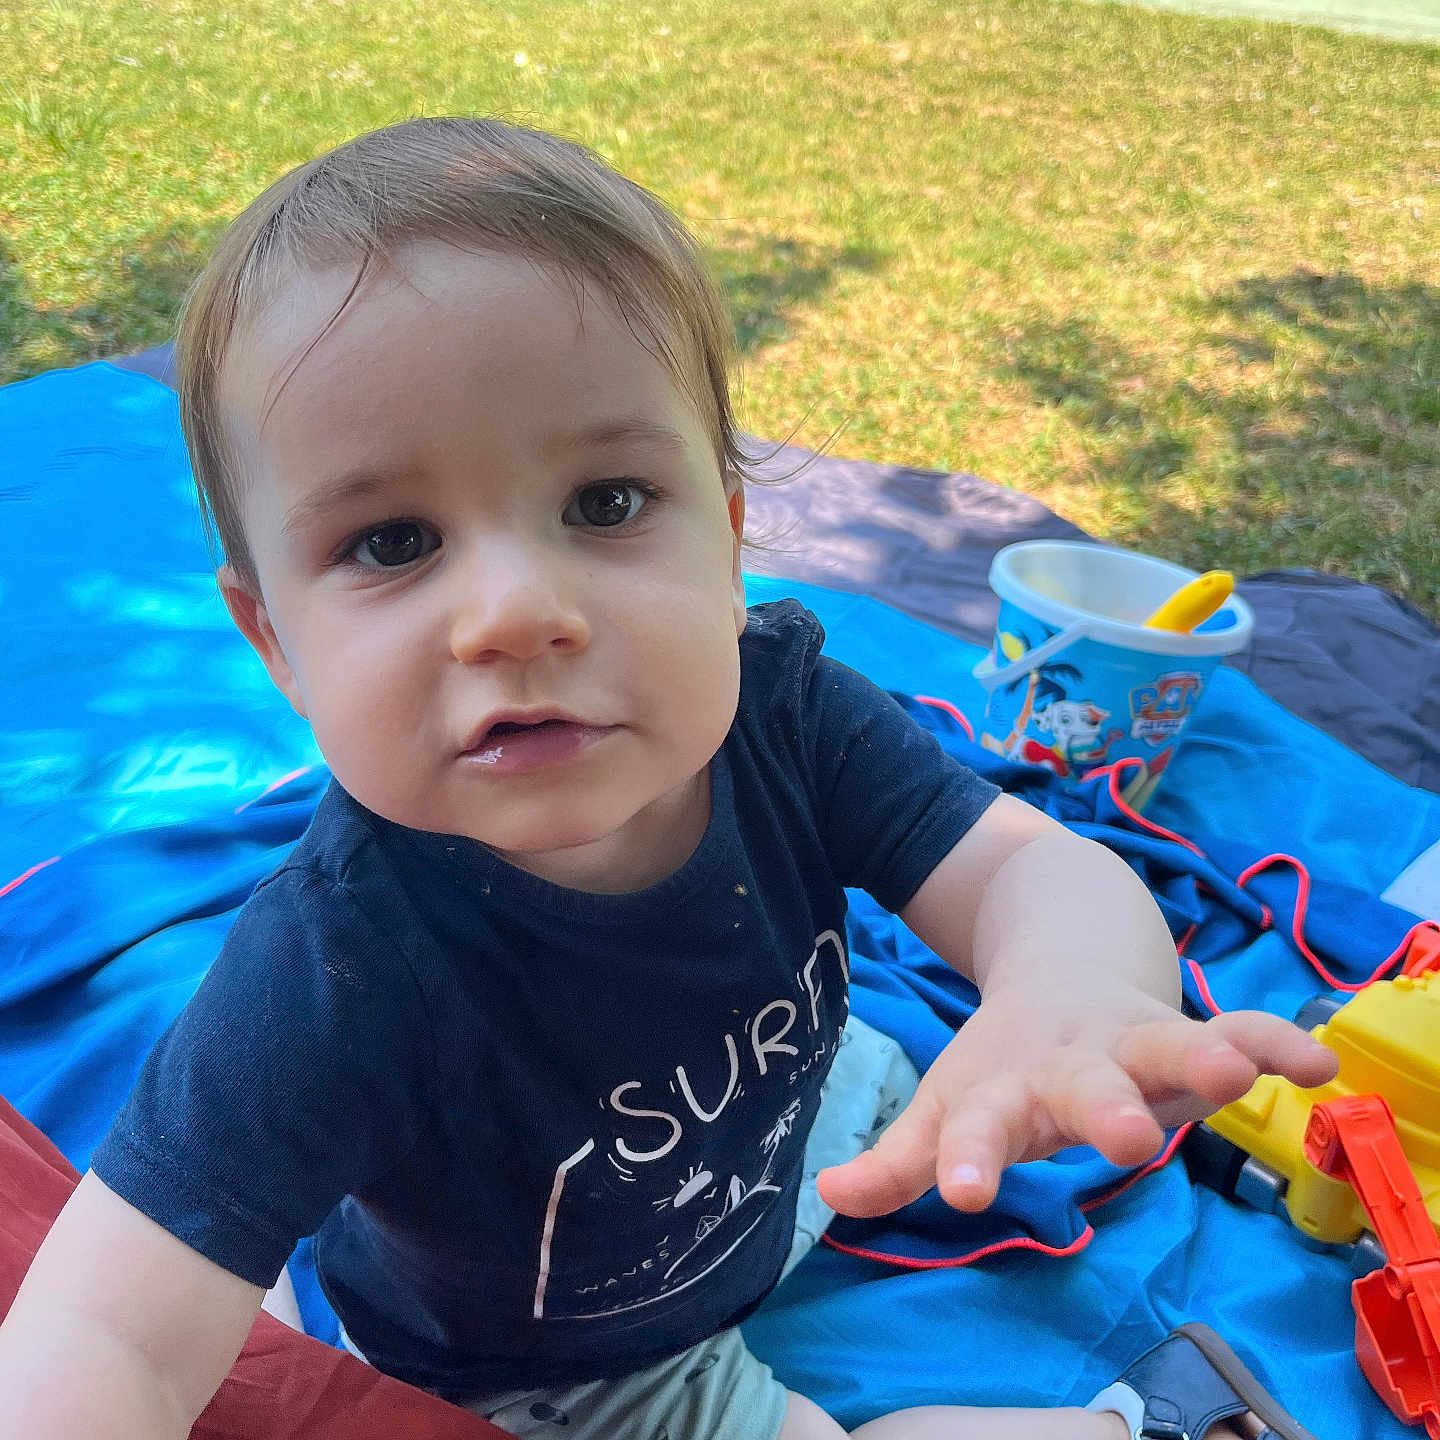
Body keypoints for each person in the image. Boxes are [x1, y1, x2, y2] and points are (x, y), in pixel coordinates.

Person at [0, 117, 1336, 1440]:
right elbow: (101, 1332)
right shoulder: (334, 972)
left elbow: (1029, 870)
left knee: (905, 1081)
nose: (517, 611)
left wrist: (1072, 989)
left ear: (732, 536)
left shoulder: (788, 712)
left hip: (782, 1137)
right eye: (393, 539)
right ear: (275, 642)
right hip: (562, 1365)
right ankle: (1143, 1419)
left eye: (607, 502)